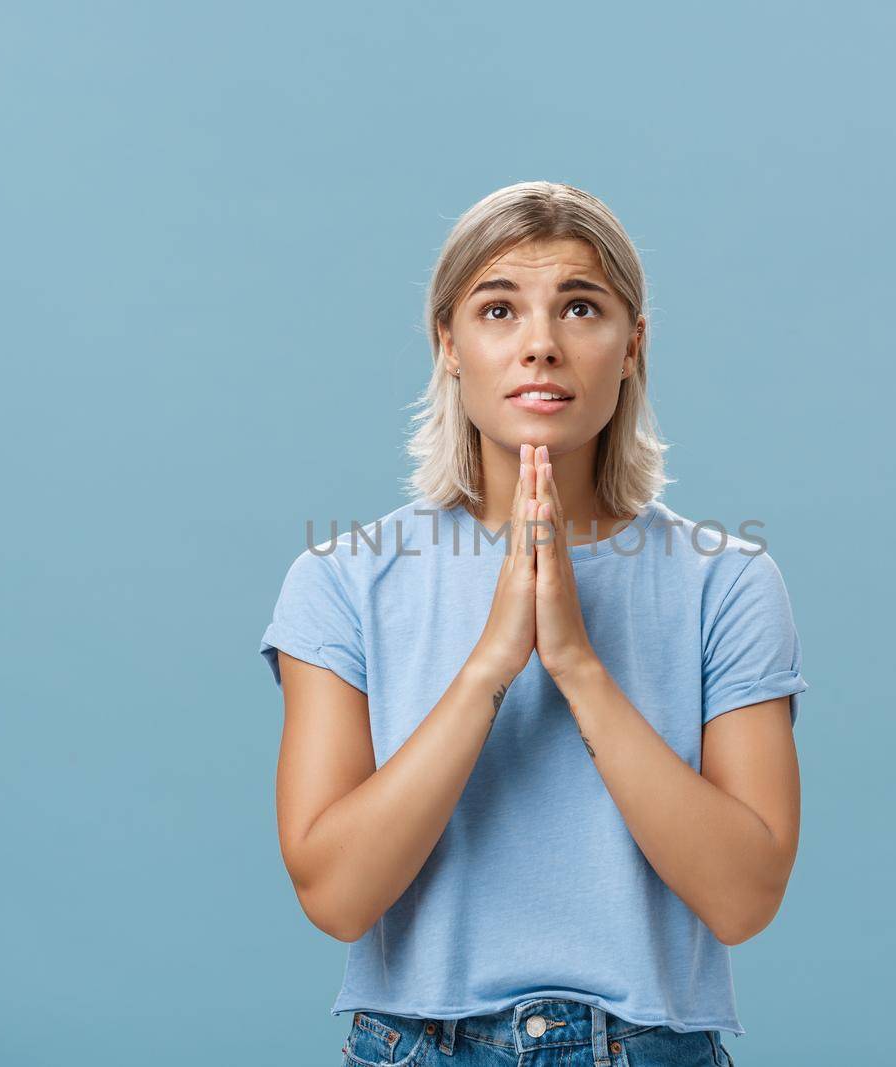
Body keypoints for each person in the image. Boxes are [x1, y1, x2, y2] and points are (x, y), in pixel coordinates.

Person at [258, 181, 808, 1067]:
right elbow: (337, 895)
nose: (541, 346)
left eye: (580, 307)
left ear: (632, 347)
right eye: (499, 308)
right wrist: (492, 663)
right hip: (415, 1047)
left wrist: (578, 664)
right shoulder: (341, 579)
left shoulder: (729, 582)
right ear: (448, 343)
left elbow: (743, 898)